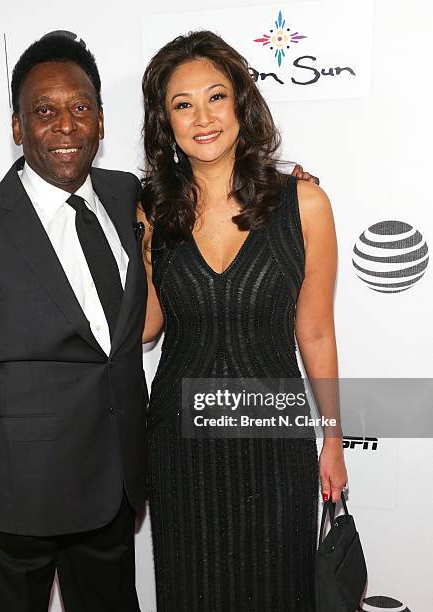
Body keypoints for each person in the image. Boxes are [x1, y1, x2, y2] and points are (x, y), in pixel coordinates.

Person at [0, 32, 147, 612]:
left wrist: (284, 186)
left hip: (113, 487)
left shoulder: (128, 197)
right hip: (16, 506)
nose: (65, 126)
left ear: (101, 120)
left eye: (80, 109)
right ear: (18, 127)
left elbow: (210, 191)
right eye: (44, 111)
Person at [138, 31, 348, 611]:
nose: (202, 117)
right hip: (181, 447)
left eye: (216, 97)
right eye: (183, 104)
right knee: (191, 591)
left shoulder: (303, 205)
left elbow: (316, 332)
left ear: (241, 105)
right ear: (166, 122)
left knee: (279, 589)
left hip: (273, 443)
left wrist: (332, 437)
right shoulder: (152, 209)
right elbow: (148, 326)